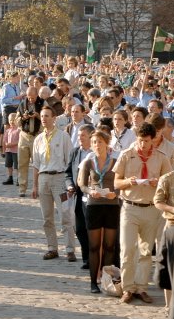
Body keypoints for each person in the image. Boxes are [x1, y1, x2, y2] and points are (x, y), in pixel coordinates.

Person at [113, 122, 172, 304]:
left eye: (146, 141)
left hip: (151, 208)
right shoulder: (126, 155)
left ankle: (141, 288)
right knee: (128, 249)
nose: (142, 145)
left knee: (146, 252)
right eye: (140, 140)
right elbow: (116, 183)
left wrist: (158, 183)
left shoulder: (161, 158)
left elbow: (168, 182)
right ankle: (127, 288)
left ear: (152, 140)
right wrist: (128, 182)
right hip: (130, 207)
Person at [78, 130, 120, 294]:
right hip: (94, 205)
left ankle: (106, 280)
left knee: (109, 246)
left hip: (111, 205)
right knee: (94, 246)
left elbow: (119, 183)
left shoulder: (115, 162)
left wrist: (114, 193)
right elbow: (81, 184)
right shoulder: (88, 162)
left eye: (100, 142)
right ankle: (92, 283)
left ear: (106, 143)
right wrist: (90, 191)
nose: (97, 145)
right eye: (94, 142)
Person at [31, 106, 75, 261]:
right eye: (42, 116)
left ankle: (70, 249)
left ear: (54, 118)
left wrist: (70, 183)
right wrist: (35, 185)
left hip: (59, 178)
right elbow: (36, 164)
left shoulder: (63, 136)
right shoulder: (38, 139)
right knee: (47, 217)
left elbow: (69, 161)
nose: (44, 118)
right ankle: (52, 248)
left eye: (47, 116)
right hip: (44, 179)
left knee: (65, 214)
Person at [153, 147, 174, 308]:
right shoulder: (166, 179)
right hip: (172, 227)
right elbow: (158, 201)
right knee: (169, 266)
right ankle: (169, 305)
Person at [65, 124, 95, 270]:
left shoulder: (97, 153)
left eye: (82, 136)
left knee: (92, 228)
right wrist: (70, 185)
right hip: (78, 195)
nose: (80, 138)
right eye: (78, 136)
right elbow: (68, 173)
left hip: (93, 195)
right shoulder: (75, 152)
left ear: (91, 136)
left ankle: (93, 258)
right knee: (79, 228)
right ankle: (86, 257)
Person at [16, 87, 43, 197]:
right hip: (24, 135)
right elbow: (16, 121)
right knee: (22, 163)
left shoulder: (42, 103)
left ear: (37, 95)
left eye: (32, 97)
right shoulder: (22, 104)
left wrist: (38, 116)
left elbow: (48, 118)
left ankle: (38, 188)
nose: (30, 99)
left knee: (37, 164)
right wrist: (23, 117)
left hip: (37, 136)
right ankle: (22, 188)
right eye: (28, 97)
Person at [2, 113, 20, 185]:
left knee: (16, 166)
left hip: (16, 151)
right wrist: (6, 145)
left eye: (13, 120)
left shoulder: (19, 130)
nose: (11, 122)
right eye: (10, 120)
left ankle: (19, 179)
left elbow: (20, 141)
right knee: (8, 165)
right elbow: (4, 139)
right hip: (8, 150)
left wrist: (12, 144)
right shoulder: (7, 130)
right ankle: (10, 177)